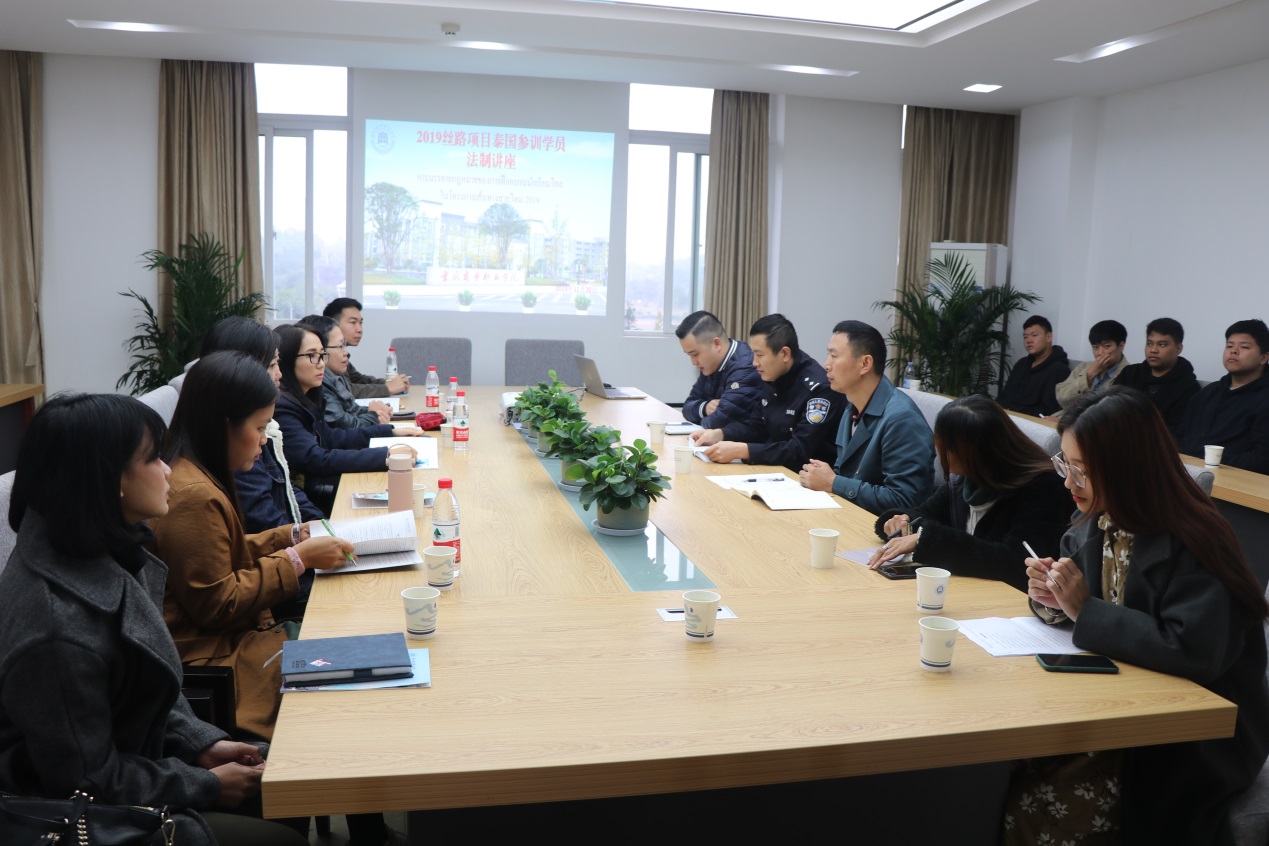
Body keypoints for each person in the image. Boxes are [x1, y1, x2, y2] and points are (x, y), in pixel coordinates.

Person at [0, 392, 307, 846]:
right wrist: (205, 785)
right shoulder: (55, 628)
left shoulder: (104, 549)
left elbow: (151, 687)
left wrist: (203, 744)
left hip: (143, 771)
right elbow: (85, 781)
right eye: (153, 459)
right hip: (88, 818)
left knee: (292, 776)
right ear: (110, 479)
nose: (168, 471)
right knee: (281, 830)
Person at [1011, 386, 1268, 845]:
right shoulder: (1096, 521)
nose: (1069, 483)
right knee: (1013, 769)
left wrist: (1083, 608)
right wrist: (1051, 599)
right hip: (1118, 704)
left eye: (1081, 471)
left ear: (1128, 468)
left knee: (1046, 805)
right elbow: (1083, 606)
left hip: (1189, 732)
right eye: (1065, 465)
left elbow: (1194, 651)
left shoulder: (1196, 538)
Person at [864, 394, 1071, 592]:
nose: (940, 452)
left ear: (973, 452)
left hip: (1008, 604)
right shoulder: (968, 480)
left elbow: (1018, 563)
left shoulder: (1043, 488)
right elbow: (925, 514)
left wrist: (924, 540)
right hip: (969, 591)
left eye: (946, 446)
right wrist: (902, 521)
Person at [272, 323, 421, 514]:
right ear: (286, 360)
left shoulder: (306, 396)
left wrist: (390, 431)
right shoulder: (283, 407)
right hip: (310, 498)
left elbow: (332, 437)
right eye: (312, 355)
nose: (321, 363)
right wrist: (385, 456)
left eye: (322, 354)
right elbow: (316, 459)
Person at [197, 316, 326, 534]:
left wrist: (323, 526)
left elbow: (286, 488)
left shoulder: (255, 425)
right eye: (273, 365)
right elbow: (267, 525)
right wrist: (309, 536)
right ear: (240, 369)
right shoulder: (235, 443)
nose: (280, 374)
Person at [798, 320, 934, 514]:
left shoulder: (902, 419)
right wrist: (823, 478)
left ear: (865, 364)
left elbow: (904, 500)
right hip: (850, 514)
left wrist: (833, 483)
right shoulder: (852, 407)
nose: (826, 365)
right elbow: (843, 472)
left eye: (834, 356)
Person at [690, 313, 845, 472]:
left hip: (806, 478)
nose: (754, 363)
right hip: (775, 470)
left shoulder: (819, 389)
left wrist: (743, 451)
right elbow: (757, 426)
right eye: (753, 354)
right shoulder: (773, 374)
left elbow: (799, 451)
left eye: (759, 355)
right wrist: (720, 434)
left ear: (785, 354)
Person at [1178, 318, 1269, 474]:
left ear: (1263, 357)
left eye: (1244, 347)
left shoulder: (1264, 399)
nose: (1234, 351)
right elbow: (1180, 436)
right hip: (1187, 473)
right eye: (1229, 346)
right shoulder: (1206, 394)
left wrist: (1212, 461)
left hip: (1235, 480)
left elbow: (1262, 459)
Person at [675, 310, 763, 430]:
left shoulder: (746, 368)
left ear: (716, 344)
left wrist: (701, 418)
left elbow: (719, 422)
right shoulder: (711, 366)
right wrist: (704, 407)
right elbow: (687, 407)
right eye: (689, 355)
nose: (693, 362)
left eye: (695, 354)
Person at [301, 313, 391, 429]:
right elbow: (344, 424)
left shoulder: (335, 374)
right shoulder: (319, 381)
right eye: (340, 346)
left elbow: (352, 410)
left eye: (344, 345)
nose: (346, 352)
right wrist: (374, 415)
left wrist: (377, 411)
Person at [1114, 316, 1199, 440]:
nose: (1153, 350)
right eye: (1149, 344)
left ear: (1178, 348)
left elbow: (1177, 433)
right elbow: (1108, 407)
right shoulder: (1130, 373)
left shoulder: (1188, 387)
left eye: (1162, 345)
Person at [322, 297, 408, 398]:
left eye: (360, 323)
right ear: (333, 324)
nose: (359, 329)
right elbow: (346, 390)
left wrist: (391, 383)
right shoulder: (324, 354)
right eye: (353, 322)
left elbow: (358, 379)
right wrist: (387, 388)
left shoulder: (342, 354)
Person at [996, 315, 1070, 417]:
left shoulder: (1059, 369)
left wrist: (1013, 409)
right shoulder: (1022, 363)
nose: (1028, 340)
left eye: (1034, 335)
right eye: (1025, 337)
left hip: (1030, 422)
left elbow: (1048, 411)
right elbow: (1004, 398)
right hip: (1006, 417)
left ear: (1048, 337)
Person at [1053, 319, 1131, 415]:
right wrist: (1089, 376)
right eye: (1095, 347)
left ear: (1121, 346)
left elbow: (1113, 413)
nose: (1100, 353)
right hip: (1064, 416)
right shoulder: (1084, 366)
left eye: (1107, 346)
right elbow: (1062, 399)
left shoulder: (1129, 373)